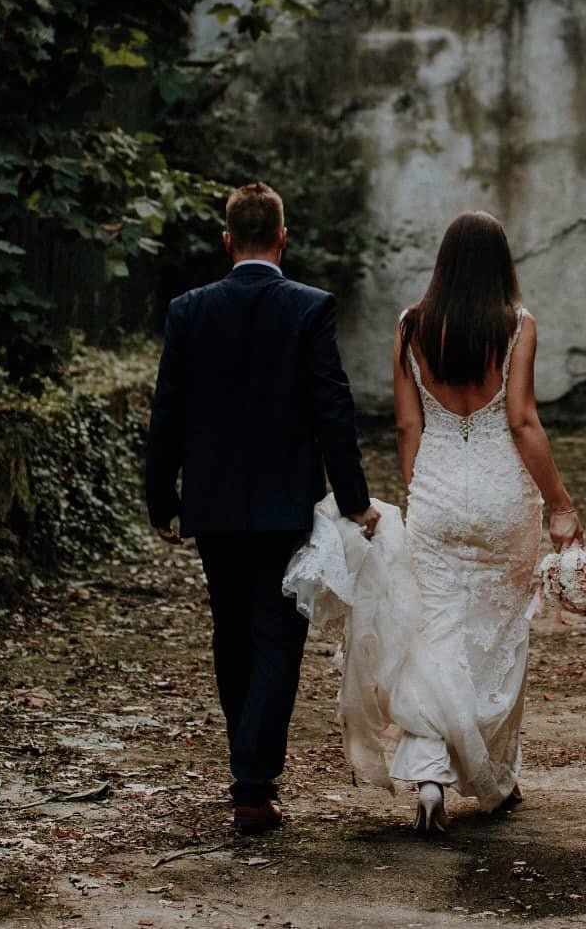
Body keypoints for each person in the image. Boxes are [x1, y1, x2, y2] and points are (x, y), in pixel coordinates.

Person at [145, 181, 380, 835]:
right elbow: (333, 407)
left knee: (231, 629)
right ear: (282, 237)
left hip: (214, 504)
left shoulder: (189, 310)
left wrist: (161, 496)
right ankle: (252, 782)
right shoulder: (309, 307)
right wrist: (354, 500)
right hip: (282, 504)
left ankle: (249, 774)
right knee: (277, 637)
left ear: (227, 240)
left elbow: (169, 410)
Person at [389, 209, 583, 833]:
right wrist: (560, 502)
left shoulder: (410, 327)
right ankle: (494, 781)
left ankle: (428, 776)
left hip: (438, 493)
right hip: (502, 498)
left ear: (443, 263)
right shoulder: (517, 326)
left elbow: (407, 426)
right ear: (501, 263)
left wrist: (420, 488)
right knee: (497, 637)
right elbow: (522, 422)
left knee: (433, 633)